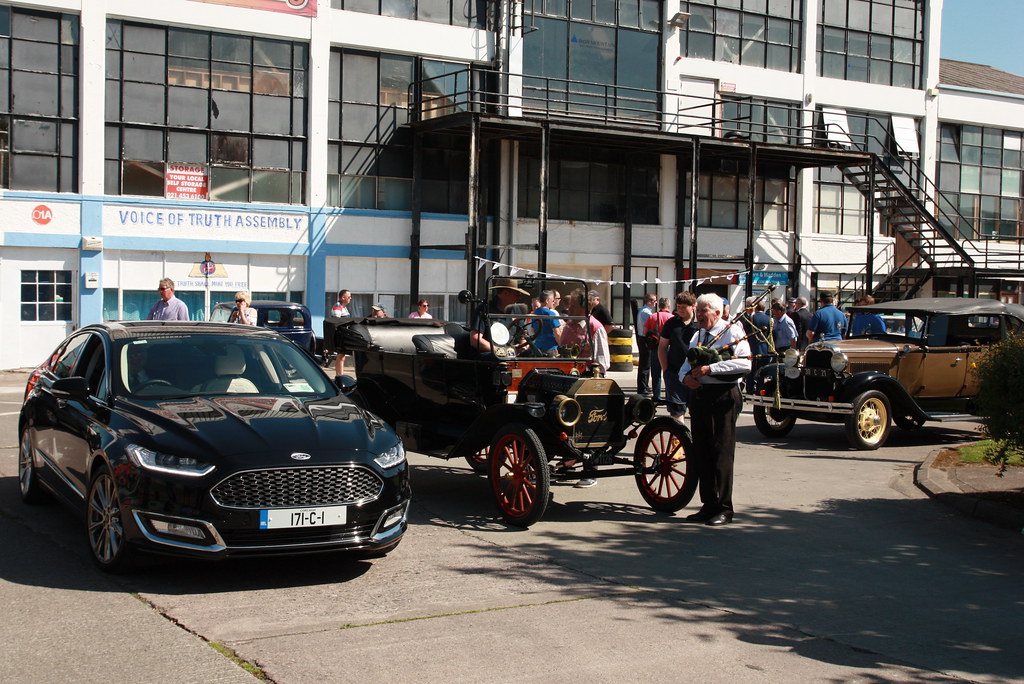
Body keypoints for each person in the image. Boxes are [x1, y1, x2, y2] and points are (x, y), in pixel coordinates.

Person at [679, 293, 751, 526]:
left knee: (721, 452)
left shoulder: (732, 331)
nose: (699, 315)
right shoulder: (698, 334)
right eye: (697, 310)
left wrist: (712, 368)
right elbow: (684, 365)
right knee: (702, 450)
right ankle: (708, 504)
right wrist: (685, 379)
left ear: (718, 313)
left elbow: (745, 362)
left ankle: (724, 507)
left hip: (723, 396)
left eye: (704, 310)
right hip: (700, 395)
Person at [658, 292, 699, 421]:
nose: (680, 310)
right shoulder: (671, 323)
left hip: (696, 373)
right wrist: (666, 370)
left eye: (683, 307)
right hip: (674, 372)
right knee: (676, 410)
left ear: (693, 306)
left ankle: (696, 440)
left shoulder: (700, 324)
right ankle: (678, 439)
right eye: (678, 306)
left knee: (698, 411)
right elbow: (662, 347)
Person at [470, 278, 531, 354]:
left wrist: (523, 345)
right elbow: (475, 339)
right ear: (505, 293)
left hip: (512, 354)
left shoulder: (516, 310)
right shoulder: (484, 309)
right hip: (491, 356)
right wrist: (501, 350)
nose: (519, 298)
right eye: (517, 294)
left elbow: (523, 334)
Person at [740, 296, 773, 392]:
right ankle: (760, 389)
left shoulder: (751, 318)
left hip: (753, 348)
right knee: (761, 372)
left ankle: (750, 389)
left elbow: (746, 332)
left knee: (751, 372)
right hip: (765, 349)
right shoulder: (769, 319)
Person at [644, 297, 673, 403]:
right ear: (668, 306)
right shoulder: (672, 318)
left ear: (659, 305)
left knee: (656, 373)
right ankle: (669, 395)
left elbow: (644, 331)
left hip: (655, 346)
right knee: (669, 372)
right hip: (669, 346)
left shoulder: (653, 317)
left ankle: (657, 396)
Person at [635, 292, 657, 396]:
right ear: (649, 301)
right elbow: (651, 326)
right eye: (654, 301)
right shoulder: (646, 312)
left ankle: (645, 386)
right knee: (645, 365)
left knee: (646, 364)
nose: (655, 303)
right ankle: (642, 387)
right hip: (645, 339)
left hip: (643, 339)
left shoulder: (644, 311)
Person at [530, 290, 563, 356]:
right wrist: (561, 346)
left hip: (538, 347)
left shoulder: (535, 313)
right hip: (550, 348)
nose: (553, 302)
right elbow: (557, 333)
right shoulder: (551, 314)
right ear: (547, 301)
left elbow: (533, 330)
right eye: (552, 300)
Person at [331, 289, 352, 375]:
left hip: (343, 333)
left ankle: (340, 374)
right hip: (340, 334)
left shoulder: (343, 306)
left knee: (342, 356)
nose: (350, 298)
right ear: (343, 297)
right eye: (349, 297)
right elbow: (337, 321)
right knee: (340, 356)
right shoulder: (338, 306)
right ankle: (339, 375)